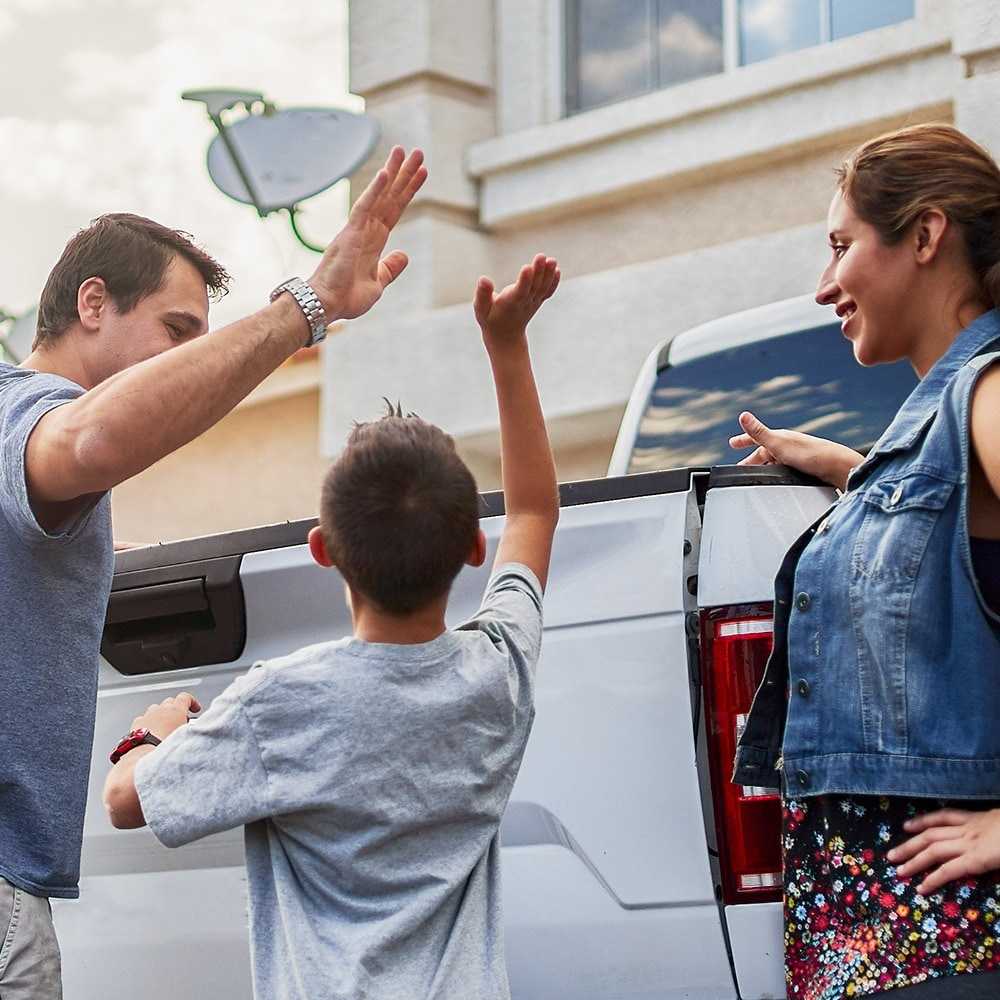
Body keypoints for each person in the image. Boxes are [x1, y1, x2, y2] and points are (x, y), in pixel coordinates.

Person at [0, 145, 426, 999]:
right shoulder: (27, 413)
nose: (186, 356)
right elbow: (90, 440)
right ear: (93, 303)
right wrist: (305, 308)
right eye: (177, 331)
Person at [101, 255, 561, 1000]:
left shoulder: (279, 704)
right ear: (474, 549)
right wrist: (506, 346)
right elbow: (536, 510)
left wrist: (151, 733)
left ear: (323, 550)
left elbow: (126, 801)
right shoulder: (497, 671)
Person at [731, 122, 1000, 999]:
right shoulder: (934, 427)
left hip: (952, 941)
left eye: (841, 246)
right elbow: (956, 543)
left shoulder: (989, 393)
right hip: (868, 947)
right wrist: (853, 469)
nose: (823, 286)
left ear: (925, 237)